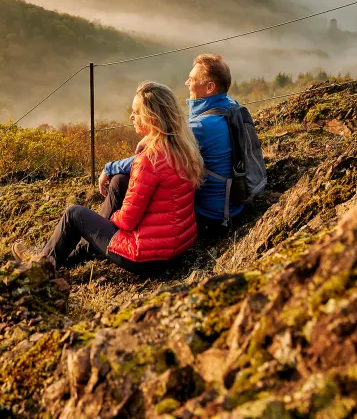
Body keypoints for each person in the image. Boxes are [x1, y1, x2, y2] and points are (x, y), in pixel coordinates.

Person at [13, 81, 203, 275]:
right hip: (176, 246)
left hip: (146, 258)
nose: (131, 117)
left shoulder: (150, 159)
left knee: (74, 214)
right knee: (120, 180)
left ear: (151, 117)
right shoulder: (182, 146)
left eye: (136, 112)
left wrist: (109, 220)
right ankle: (70, 254)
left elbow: (127, 221)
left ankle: (40, 268)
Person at [99, 54, 243, 238]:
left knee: (120, 180)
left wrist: (109, 168)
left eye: (192, 79)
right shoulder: (230, 106)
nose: (186, 83)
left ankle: (101, 235)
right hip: (232, 203)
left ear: (210, 87)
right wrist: (154, 136)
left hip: (210, 216)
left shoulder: (201, 127)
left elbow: (151, 159)